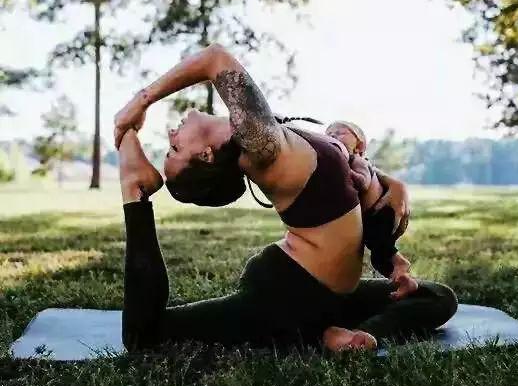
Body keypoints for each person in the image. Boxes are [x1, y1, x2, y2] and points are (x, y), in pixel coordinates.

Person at [114, 44, 458, 353]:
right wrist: (139, 103)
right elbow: (215, 58)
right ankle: (135, 187)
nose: (171, 133)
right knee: (146, 335)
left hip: (327, 296)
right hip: (286, 293)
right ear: (205, 155)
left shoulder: (265, 133)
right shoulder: (262, 145)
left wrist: (390, 186)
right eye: (175, 148)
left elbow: (339, 181)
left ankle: (351, 334)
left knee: (438, 297)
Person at [325, 121, 418, 298]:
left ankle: (401, 264)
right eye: (328, 134)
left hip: (379, 214)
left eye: (340, 133)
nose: (332, 136)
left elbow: (363, 182)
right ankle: (404, 281)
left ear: (359, 146)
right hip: (371, 217)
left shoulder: (357, 161)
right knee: (379, 258)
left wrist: (347, 173)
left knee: (382, 248)